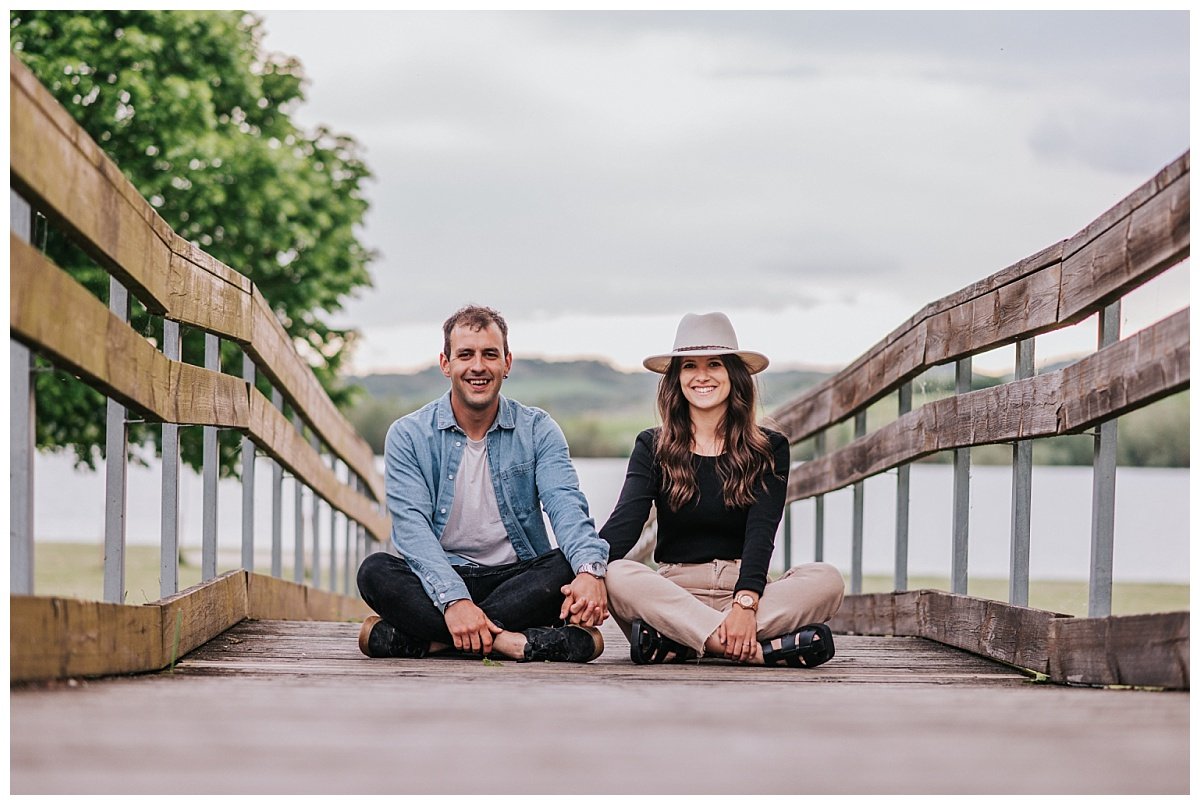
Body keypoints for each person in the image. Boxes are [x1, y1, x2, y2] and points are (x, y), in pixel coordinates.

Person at [356, 304, 611, 664]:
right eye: (466, 355)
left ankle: (430, 642)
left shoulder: (538, 429)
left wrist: (589, 571)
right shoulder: (408, 435)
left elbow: (566, 505)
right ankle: (516, 643)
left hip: (516, 580)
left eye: (490, 354)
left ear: (507, 363)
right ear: (446, 364)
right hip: (441, 577)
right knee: (375, 572)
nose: (478, 366)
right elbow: (411, 531)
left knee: (569, 565)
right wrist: (455, 600)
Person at [600, 312, 845, 667]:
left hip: (744, 592)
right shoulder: (652, 445)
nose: (702, 376)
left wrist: (745, 604)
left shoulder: (769, 447)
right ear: (676, 378)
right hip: (675, 594)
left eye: (714, 363)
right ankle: (755, 650)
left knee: (827, 579)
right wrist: (586, 572)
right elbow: (623, 527)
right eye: (689, 366)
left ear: (733, 374)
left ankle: (682, 644)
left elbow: (762, 533)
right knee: (618, 574)